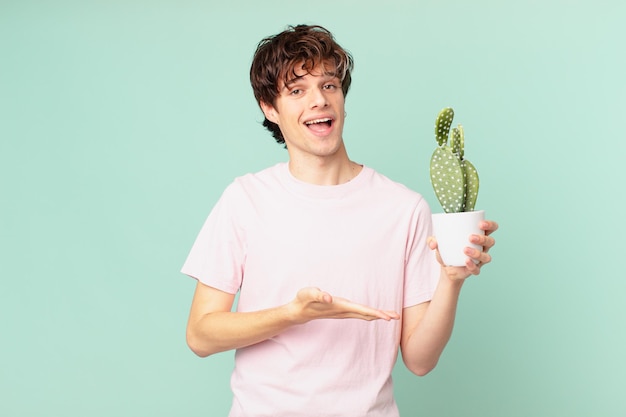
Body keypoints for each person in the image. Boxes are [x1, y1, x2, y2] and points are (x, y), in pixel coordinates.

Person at [182, 24, 498, 417]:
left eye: (329, 85)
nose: (319, 101)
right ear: (269, 108)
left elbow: (419, 360)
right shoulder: (245, 199)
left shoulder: (403, 208)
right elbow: (200, 334)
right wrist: (292, 315)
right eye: (297, 91)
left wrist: (452, 279)